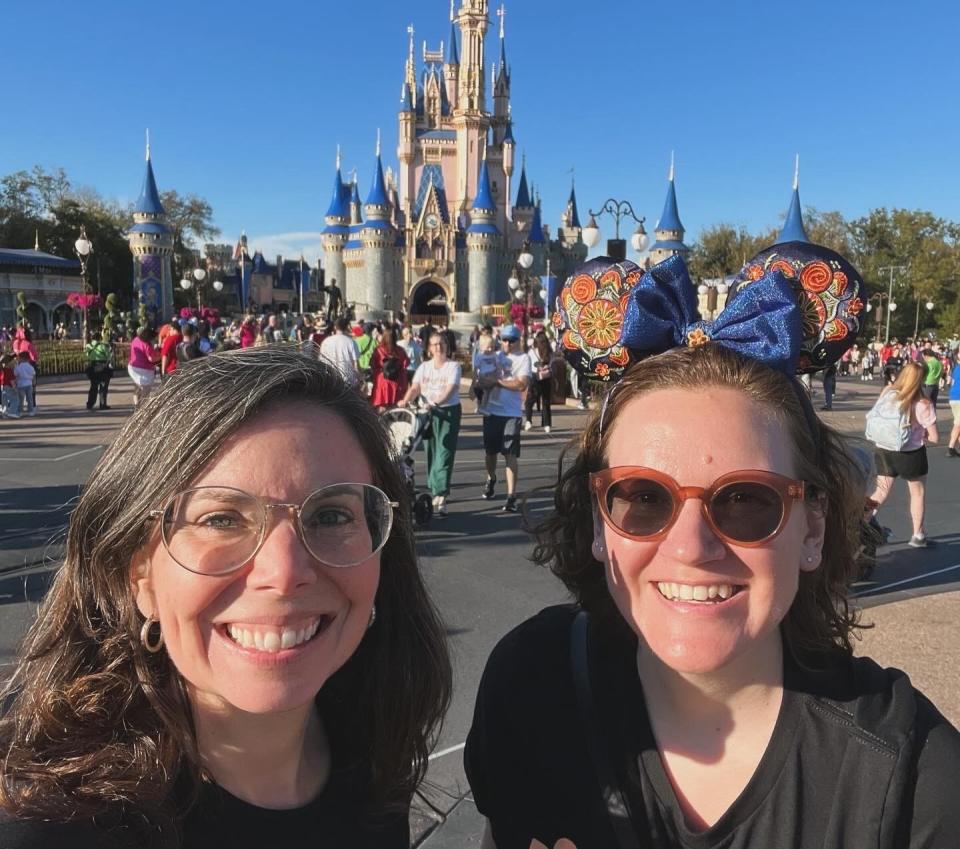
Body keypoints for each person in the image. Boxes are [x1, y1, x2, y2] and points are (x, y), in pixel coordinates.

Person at [465, 254, 960, 849]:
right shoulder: (530, 688)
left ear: (812, 528)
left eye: (747, 500)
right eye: (642, 497)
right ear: (599, 522)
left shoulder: (912, 779)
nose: (691, 547)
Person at [0, 346, 451, 848]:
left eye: (330, 516)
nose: (284, 573)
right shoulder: (48, 825)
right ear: (138, 574)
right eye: (220, 519)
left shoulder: (375, 766)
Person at [866, 361, 939, 547]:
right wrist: (921, 433)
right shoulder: (923, 403)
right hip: (911, 453)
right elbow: (935, 437)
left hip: (883, 447)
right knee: (917, 493)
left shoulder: (888, 392)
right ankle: (918, 535)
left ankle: (862, 521)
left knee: (881, 491)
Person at [400, 332, 462, 516]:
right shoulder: (424, 367)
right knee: (431, 450)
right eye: (434, 344)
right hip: (425, 413)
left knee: (444, 451)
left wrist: (436, 402)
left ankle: (441, 493)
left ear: (447, 346)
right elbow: (415, 387)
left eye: (441, 344)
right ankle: (435, 486)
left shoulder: (453, 367)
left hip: (447, 412)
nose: (438, 347)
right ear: (429, 348)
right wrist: (405, 401)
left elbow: (451, 389)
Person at [476, 324, 531, 513]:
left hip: (511, 413)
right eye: (504, 340)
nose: (507, 343)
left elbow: (521, 383)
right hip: (492, 411)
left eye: (511, 340)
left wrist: (498, 381)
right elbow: (481, 380)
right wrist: (484, 382)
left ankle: (511, 496)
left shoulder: (523, 359)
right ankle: (491, 477)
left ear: (518, 341)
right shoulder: (494, 355)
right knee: (490, 453)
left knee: (509, 454)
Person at [369, 328, 409, 411]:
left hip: (382, 382)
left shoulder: (378, 350)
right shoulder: (400, 350)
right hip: (398, 382)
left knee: (382, 408)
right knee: (396, 409)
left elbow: (372, 365)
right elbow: (405, 365)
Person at [524, 331, 555, 433]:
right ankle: (547, 424)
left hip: (535, 377)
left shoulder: (532, 351)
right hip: (547, 377)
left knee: (530, 400)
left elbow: (530, 364)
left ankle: (528, 420)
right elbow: (551, 364)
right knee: (546, 401)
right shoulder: (550, 352)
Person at [319, 317, 361, 387]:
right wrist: (359, 379)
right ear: (347, 327)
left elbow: (321, 361)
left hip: (330, 379)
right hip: (347, 380)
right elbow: (356, 364)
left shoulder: (326, 341)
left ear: (335, 327)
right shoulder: (351, 342)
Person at [127, 325, 160, 407]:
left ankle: (136, 404)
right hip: (144, 369)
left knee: (137, 387)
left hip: (133, 367)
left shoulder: (136, 340)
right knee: (146, 389)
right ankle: (143, 407)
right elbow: (151, 358)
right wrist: (161, 356)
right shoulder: (147, 344)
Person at [83, 331, 113, 411]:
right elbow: (109, 356)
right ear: (100, 338)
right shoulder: (103, 346)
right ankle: (102, 404)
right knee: (103, 387)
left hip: (93, 367)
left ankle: (90, 404)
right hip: (103, 368)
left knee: (93, 386)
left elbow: (86, 356)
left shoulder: (88, 346)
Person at [12, 352, 36, 417]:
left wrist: (15, 383)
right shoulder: (30, 367)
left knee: (20, 399)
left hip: (21, 384)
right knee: (29, 398)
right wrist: (33, 384)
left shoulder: (18, 367)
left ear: (21, 358)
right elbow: (33, 376)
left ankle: (20, 412)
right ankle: (30, 411)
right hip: (29, 384)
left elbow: (15, 375)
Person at [0, 353, 20, 418]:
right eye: (13, 361)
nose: (14, 362)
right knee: (15, 399)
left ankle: (4, 412)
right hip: (8, 386)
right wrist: (15, 388)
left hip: (2, 387)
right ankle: (13, 412)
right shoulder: (9, 370)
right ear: (9, 362)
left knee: (4, 400)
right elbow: (12, 381)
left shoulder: (2, 370)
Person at [948, 353, 960, 457]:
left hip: (953, 397)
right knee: (958, 423)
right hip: (959, 397)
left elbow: (951, 382)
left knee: (958, 421)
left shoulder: (956, 368)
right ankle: (951, 447)